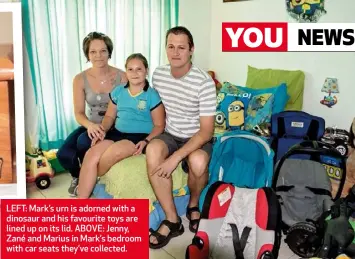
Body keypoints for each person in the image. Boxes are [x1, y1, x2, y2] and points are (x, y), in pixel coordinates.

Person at [146, 26, 216, 249]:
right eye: (171, 47)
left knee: (197, 161)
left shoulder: (204, 82)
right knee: (153, 151)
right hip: (170, 133)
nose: (175, 53)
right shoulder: (158, 74)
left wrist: (176, 158)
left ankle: (193, 205)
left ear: (191, 50)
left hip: (196, 136)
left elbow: (206, 131)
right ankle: (173, 219)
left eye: (181, 48)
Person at [76, 53, 165, 198]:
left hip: (139, 137)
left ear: (146, 71)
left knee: (116, 151)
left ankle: (91, 178)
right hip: (116, 132)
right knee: (91, 154)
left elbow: (160, 125)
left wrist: (146, 141)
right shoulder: (118, 91)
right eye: (130, 69)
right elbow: (110, 116)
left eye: (139, 69)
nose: (134, 73)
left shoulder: (152, 95)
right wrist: (102, 131)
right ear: (126, 71)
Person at [56, 32, 127, 197]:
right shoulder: (79, 79)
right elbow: (79, 113)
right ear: (87, 54)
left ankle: (88, 179)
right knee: (63, 154)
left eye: (103, 51)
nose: (98, 56)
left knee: (83, 142)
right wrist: (90, 126)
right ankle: (77, 176)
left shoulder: (122, 76)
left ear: (109, 52)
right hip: (91, 124)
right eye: (93, 52)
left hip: (116, 126)